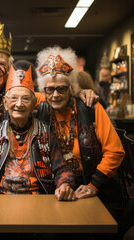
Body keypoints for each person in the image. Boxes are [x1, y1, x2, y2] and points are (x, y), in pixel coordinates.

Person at [35, 45, 128, 238]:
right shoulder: (40, 106)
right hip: (55, 191)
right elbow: (17, 96)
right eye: (50, 89)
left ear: (71, 87)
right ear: (43, 90)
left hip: (95, 189)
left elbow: (115, 151)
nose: (55, 95)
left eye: (61, 88)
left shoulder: (91, 108)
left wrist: (94, 185)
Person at [0, 64, 76, 201]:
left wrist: (64, 184)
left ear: (33, 103)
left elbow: (62, 170)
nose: (19, 104)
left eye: (25, 99)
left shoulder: (46, 132)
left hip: (39, 200)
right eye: (14, 98)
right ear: (5, 103)